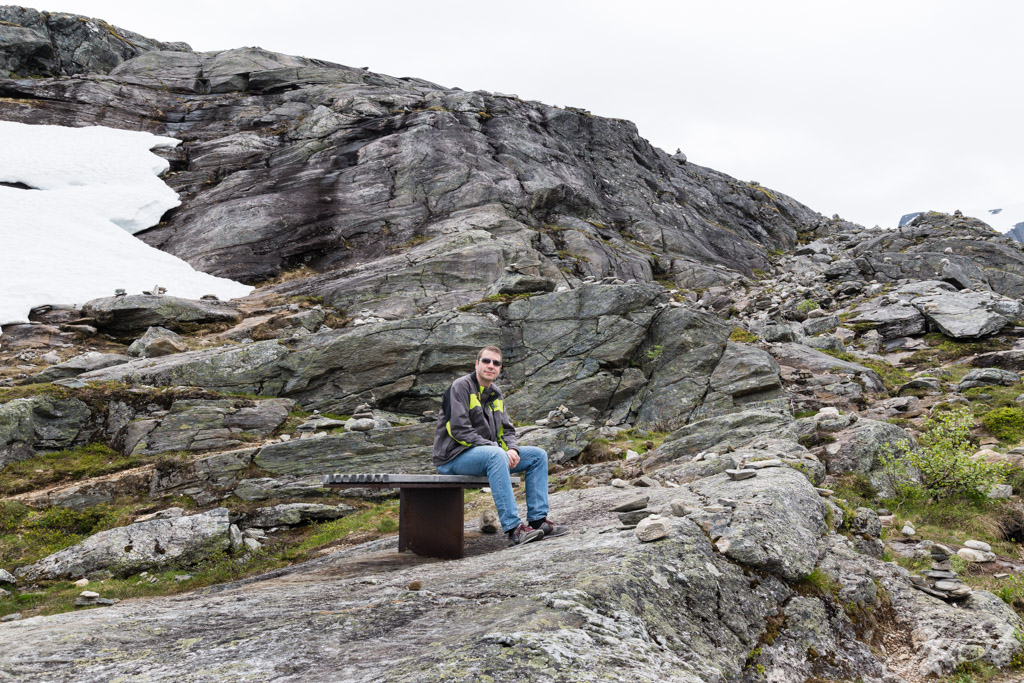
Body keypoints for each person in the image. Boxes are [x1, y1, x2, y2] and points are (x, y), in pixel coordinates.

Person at [433, 345, 565, 546]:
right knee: (497, 455)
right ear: (477, 364)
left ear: (500, 369)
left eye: (496, 363)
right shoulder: (460, 387)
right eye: (486, 361)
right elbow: (458, 430)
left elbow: (507, 430)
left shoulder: (495, 393)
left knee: (538, 455)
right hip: (453, 457)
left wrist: (512, 449)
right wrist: (498, 449)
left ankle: (538, 521)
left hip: (486, 455)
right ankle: (514, 529)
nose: (491, 365)